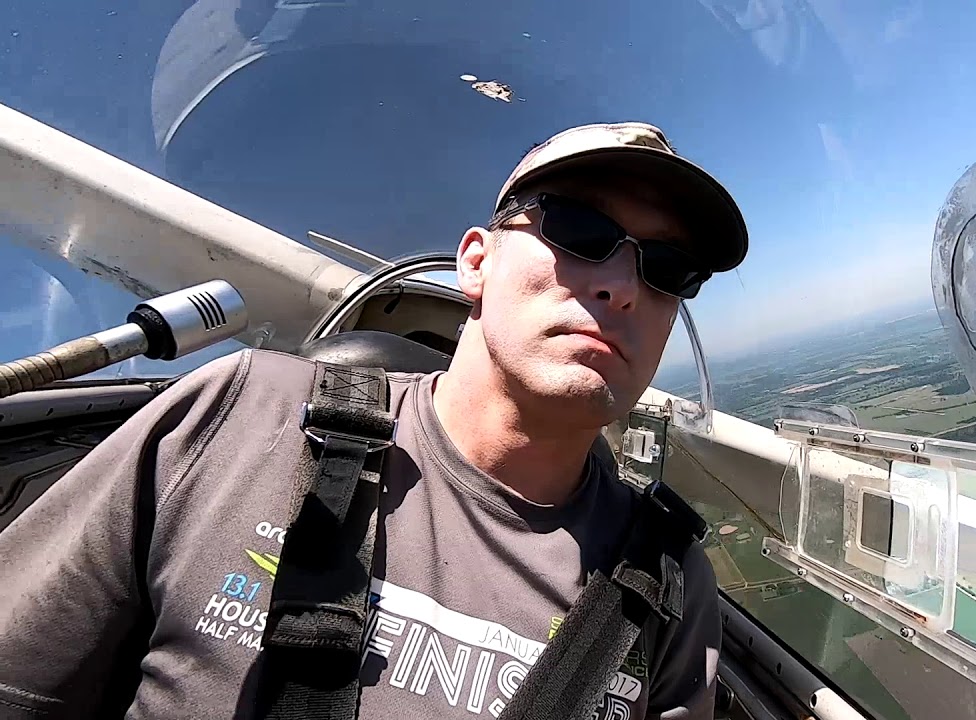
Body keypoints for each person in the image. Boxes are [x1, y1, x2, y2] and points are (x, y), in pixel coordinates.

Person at [0, 121, 749, 720]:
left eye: (667, 269)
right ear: (475, 264)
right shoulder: (237, 415)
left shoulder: (668, 586)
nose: (621, 285)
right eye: (581, 231)